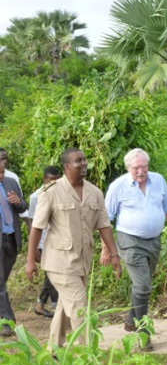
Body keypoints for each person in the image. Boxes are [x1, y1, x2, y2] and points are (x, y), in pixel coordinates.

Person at [25, 148, 122, 347]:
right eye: (78, 161)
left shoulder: (94, 192)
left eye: (84, 160)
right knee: (79, 306)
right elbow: (37, 227)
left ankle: (53, 348)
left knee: (64, 304)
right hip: (59, 262)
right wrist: (29, 260)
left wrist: (114, 254)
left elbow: (104, 225)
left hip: (82, 261)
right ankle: (90, 353)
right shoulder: (51, 192)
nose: (84, 163)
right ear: (67, 166)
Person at [102, 148, 167, 351]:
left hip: (154, 241)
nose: (141, 171)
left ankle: (131, 319)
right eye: (136, 167)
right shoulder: (118, 186)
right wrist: (107, 249)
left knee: (143, 285)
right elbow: (105, 219)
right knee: (143, 286)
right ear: (128, 167)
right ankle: (143, 333)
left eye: (144, 167)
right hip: (129, 241)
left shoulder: (158, 180)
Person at [28, 166, 61, 318]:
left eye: (56, 181)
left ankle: (42, 304)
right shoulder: (36, 197)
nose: (52, 184)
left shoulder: (62, 193)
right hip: (43, 242)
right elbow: (33, 223)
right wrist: (33, 249)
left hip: (58, 240)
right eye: (50, 181)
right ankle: (51, 304)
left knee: (53, 272)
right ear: (44, 180)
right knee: (52, 273)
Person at [0, 157, 28, 337]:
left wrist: (18, 202)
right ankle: (8, 321)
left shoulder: (11, 182)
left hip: (11, 238)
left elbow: (24, 207)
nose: (1, 176)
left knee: (2, 281)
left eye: (2, 172)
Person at [0, 147, 29, 224]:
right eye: (2, 159)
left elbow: (21, 203)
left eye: (6, 159)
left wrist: (18, 201)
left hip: (12, 226)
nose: (5, 161)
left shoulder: (12, 177)